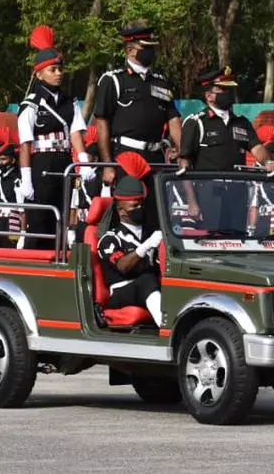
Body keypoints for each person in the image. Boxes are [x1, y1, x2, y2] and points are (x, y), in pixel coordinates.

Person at [92, 26, 182, 232]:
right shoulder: (113, 80)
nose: (151, 52)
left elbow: (174, 119)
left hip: (155, 157)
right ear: (130, 50)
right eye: (145, 47)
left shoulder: (161, 82)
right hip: (126, 155)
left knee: (155, 213)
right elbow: (102, 122)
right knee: (128, 211)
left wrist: (184, 151)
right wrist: (107, 164)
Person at [19, 26, 91, 248]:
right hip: (41, 162)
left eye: (60, 68)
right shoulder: (31, 104)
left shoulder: (70, 102)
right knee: (40, 220)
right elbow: (25, 145)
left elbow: (76, 133)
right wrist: (26, 177)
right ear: (39, 74)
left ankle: (57, 258)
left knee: (61, 215)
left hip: (64, 161)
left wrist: (84, 161)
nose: (58, 73)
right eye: (52, 69)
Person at [97, 152, 163, 327]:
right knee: (147, 280)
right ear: (121, 210)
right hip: (121, 292)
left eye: (141, 204)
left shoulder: (149, 232)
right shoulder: (109, 239)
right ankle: (167, 330)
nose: (139, 208)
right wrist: (147, 245)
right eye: (134, 206)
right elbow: (123, 266)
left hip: (149, 287)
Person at [179, 67, 274, 173]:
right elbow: (184, 162)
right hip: (207, 187)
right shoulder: (196, 122)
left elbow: (257, 148)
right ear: (209, 96)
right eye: (223, 89)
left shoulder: (242, 122)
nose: (228, 93)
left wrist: (268, 162)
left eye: (229, 89)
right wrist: (189, 190)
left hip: (237, 186)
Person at [0, 127, 26, 249]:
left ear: (13, 160)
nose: (0, 162)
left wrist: (23, 234)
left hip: (12, 221)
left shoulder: (17, 179)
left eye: (4, 159)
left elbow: (23, 210)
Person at [71, 129, 108, 244]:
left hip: (95, 219)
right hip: (81, 220)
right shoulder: (80, 176)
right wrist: (71, 227)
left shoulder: (102, 176)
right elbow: (75, 204)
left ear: (95, 158)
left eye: (88, 156)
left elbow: (104, 199)